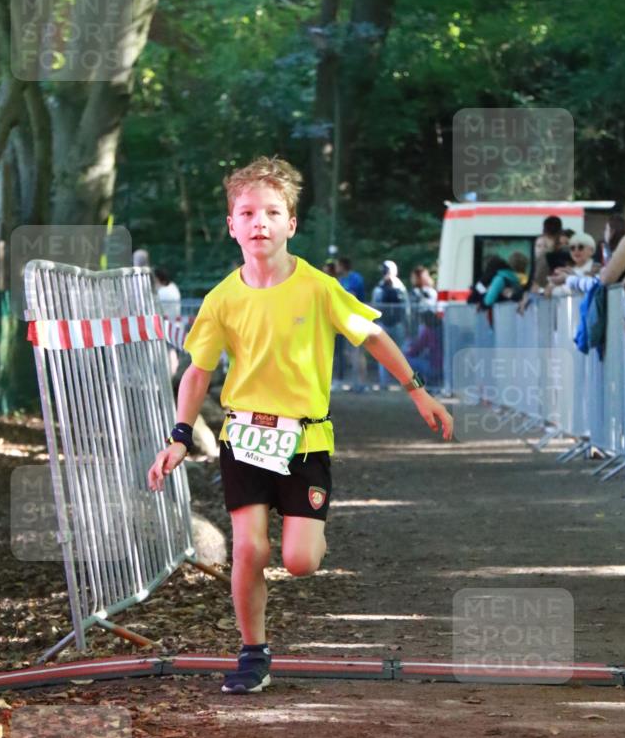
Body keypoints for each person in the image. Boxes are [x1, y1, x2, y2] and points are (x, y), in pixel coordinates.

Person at [147, 156, 453, 695]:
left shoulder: (317, 287)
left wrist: (417, 391)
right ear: (232, 226)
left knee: (300, 560)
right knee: (249, 550)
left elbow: (374, 337)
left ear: (291, 223)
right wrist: (178, 435)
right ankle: (252, 652)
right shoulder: (221, 299)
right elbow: (196, 372)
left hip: (305, 439)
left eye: (271, 211)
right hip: (243, 437)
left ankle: (305, 536)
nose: (259, 221)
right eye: (247, 212)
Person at [371, 260, 409, 388]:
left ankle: (384, 383)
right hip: (397, 325)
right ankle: (405, 383)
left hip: (385, 325)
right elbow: (406, 307)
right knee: (400, 354)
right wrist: (407, 324)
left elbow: (375, 306)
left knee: (384, 354)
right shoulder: (401, 287)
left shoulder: (379, 288)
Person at [336, 256, 367, 391]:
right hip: (346, 320)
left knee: (358, 352)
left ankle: (362, 383)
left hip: (357, 319)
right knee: (349, 353)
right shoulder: (341, 279)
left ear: (343, 265)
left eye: (338, 265)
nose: (336, 268)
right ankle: (355, 382)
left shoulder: (355, 278)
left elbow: (352, 295)